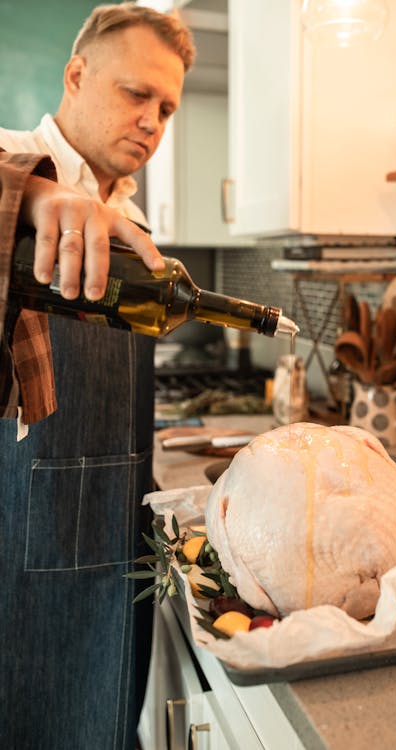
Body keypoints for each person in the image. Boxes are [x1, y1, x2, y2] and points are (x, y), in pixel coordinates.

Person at [0, 5, 195, 749]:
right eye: (136, 93)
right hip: (24, 531)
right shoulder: (14, 160)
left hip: (118, 534)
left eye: (167, 108)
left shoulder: (136, 228)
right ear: (76, 76)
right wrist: (33, 197)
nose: (152, 121)